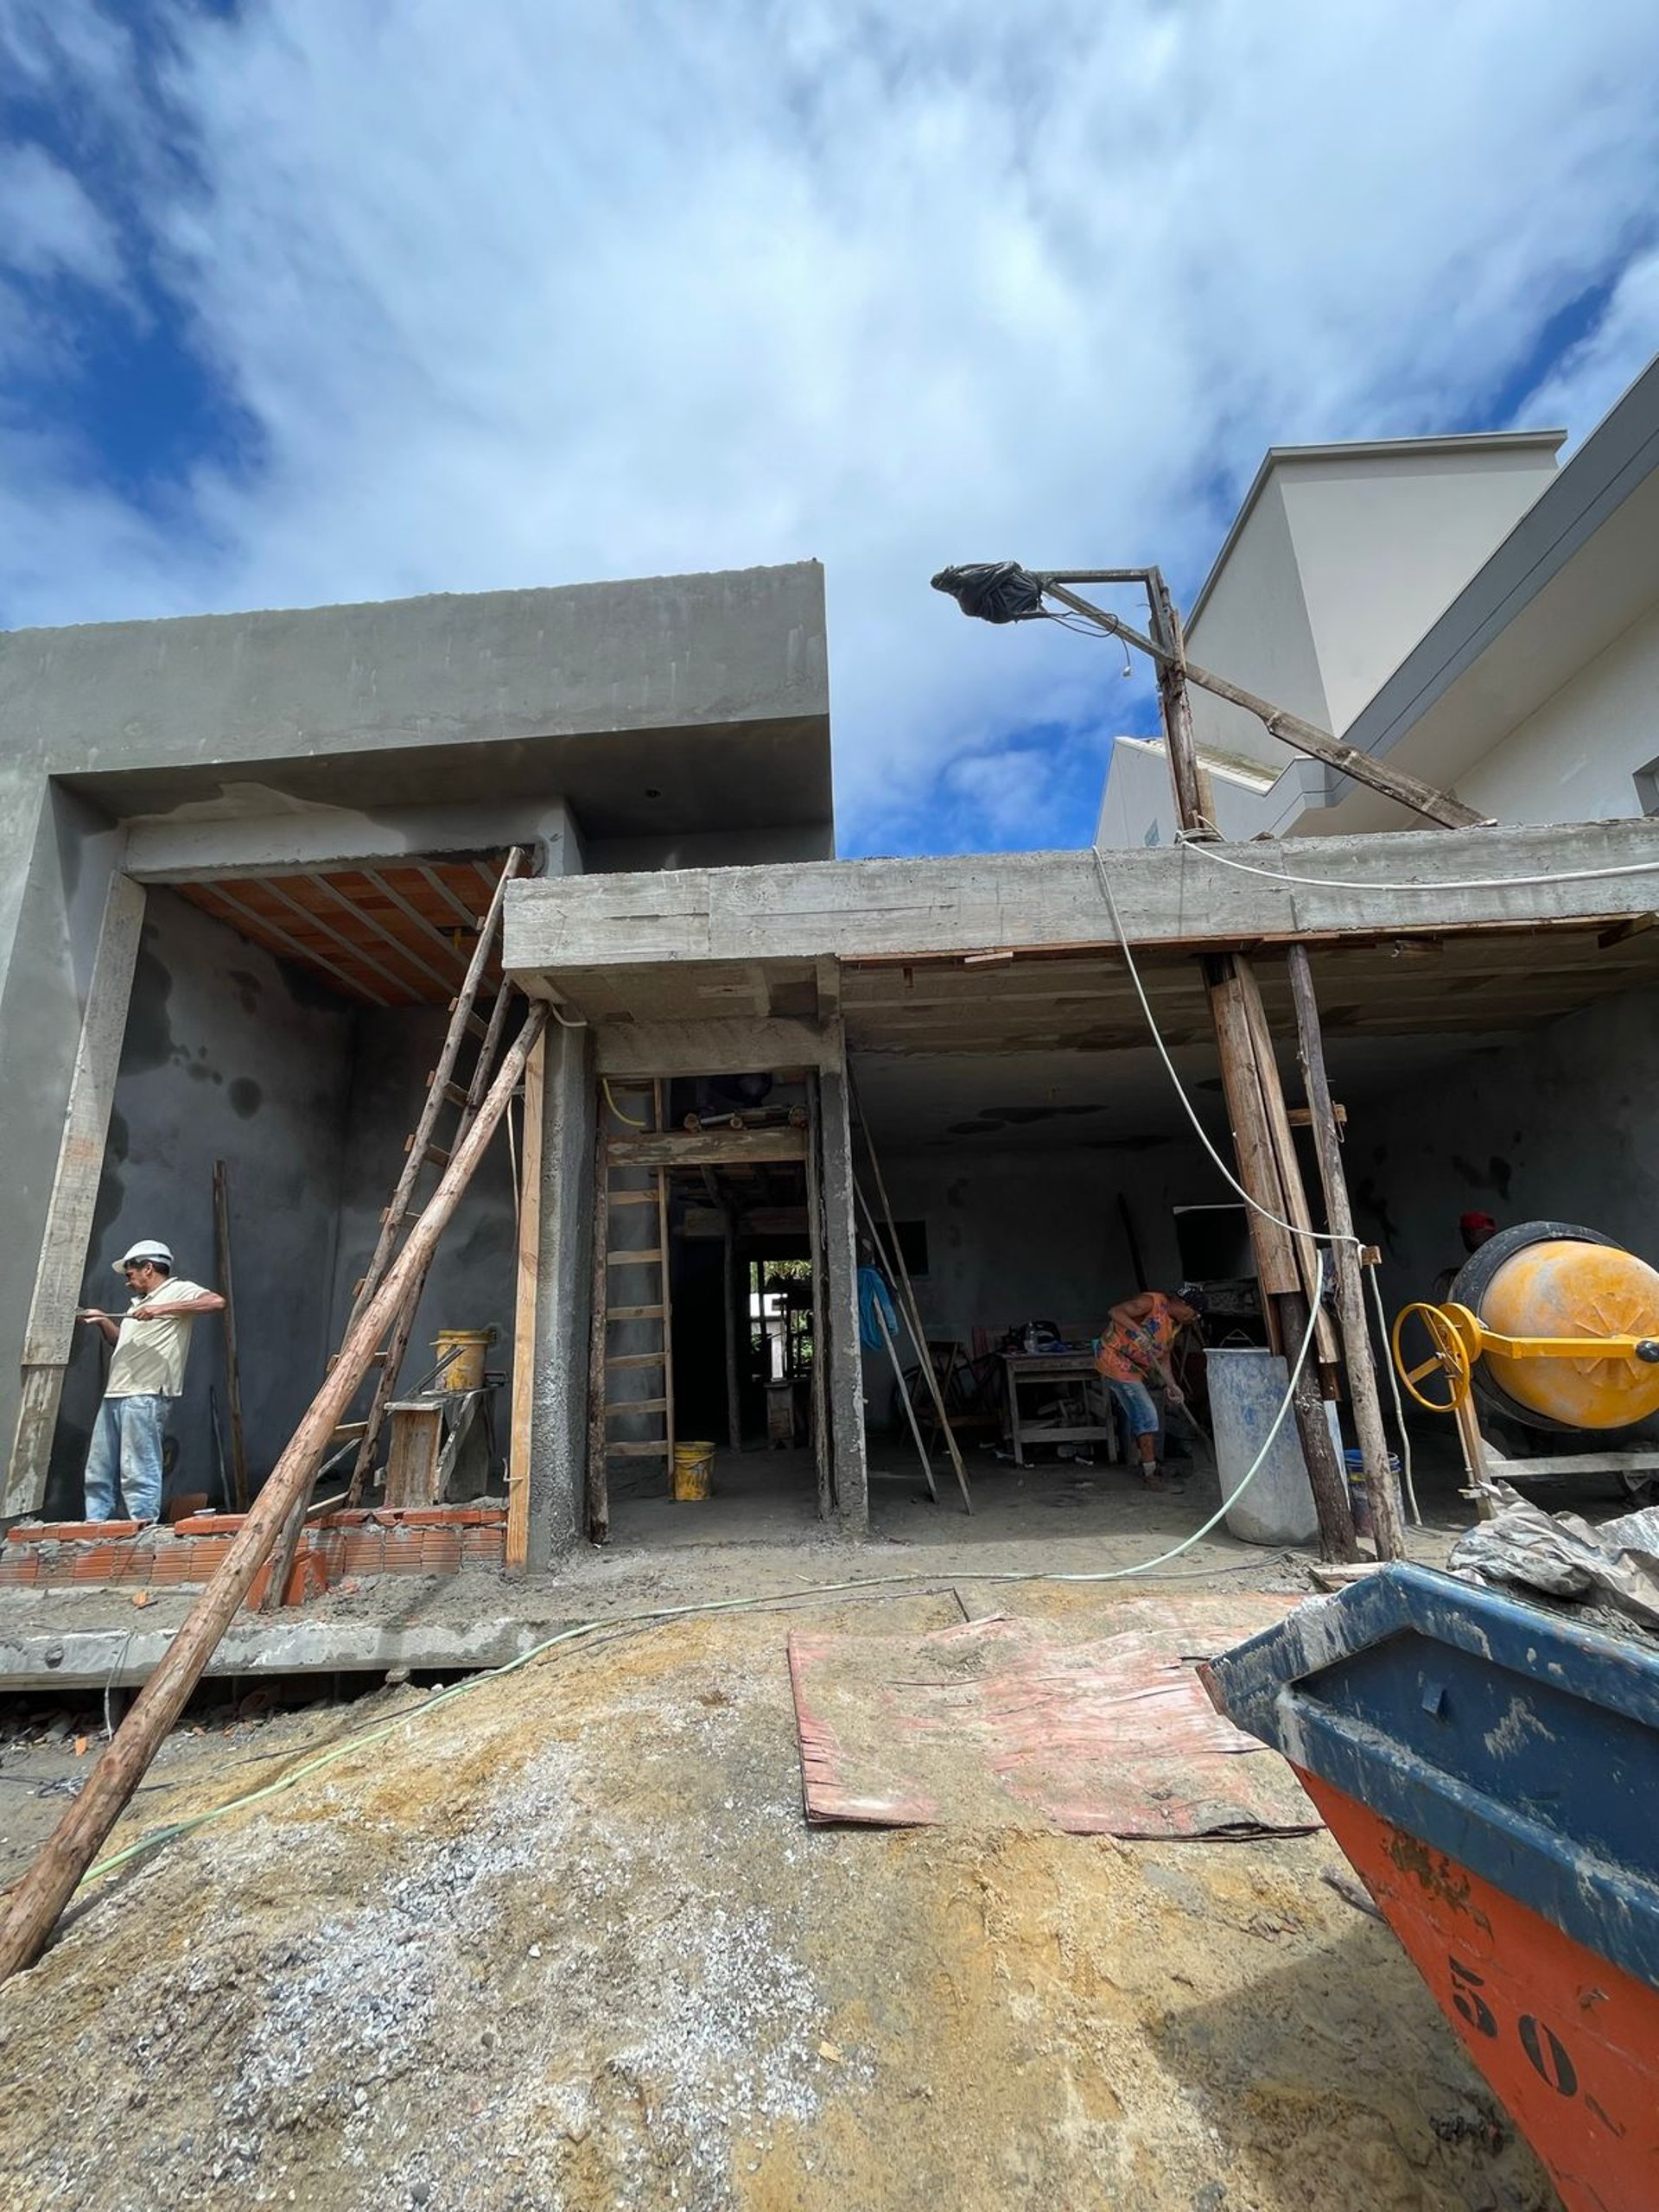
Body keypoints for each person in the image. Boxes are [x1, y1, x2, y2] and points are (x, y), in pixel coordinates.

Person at [76, 1239, 226, 1525]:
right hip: (116, 1394)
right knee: (99, 1469)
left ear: (148, 1268)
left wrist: (160, 1309)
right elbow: (120, 1342)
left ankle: (142, 1528)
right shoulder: (138, 1304)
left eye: (130, 1274)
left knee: (137, 1469)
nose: (127, 1282)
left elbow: (216, 1302)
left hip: (145, 1395)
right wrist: (104, 1321)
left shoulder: (177, 1290)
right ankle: (94, 1527)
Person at [1094, 1287, 1206, 1490]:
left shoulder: (1174, 1327)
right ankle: (1150, 1474)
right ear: (1184, 1305)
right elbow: (1115, 1312)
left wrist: (1172, 1386)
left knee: (1145, 1412)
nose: (1194, 1318)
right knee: (1147, 1412)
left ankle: (1149, 1463)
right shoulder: (1152, 1302)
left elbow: (1164, 1362)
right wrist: (1138, 1334)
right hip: (1115, 1357)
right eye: (1194, 1313)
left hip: (1136, 1368)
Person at [1433, 1211, 1498, 1303]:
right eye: (1464, 1233)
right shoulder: (1483, 1257)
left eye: (1470, 1232)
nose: (1467, 1238)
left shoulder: (1497, 1257)